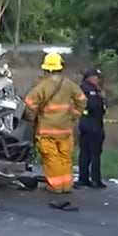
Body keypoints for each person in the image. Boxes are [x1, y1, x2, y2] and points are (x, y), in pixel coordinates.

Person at [23, 52, 87, 209]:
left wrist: (31, 117)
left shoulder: (42, 86)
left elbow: (29, 102)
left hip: (47, 130)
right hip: (65, 129)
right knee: (65, 157)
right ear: (60, 67)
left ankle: (55, 187)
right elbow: (82, 100)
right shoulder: (69, 84)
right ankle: (67, 185)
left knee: (51, 158)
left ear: (46, 69)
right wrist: (74, 115)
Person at [76, 68, 107, 188]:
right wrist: (102, 99)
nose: (99, 80)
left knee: (85, 153)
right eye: (97, 77)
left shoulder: (87, 89)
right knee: (94, 153)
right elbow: (95, 106)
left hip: (88, 124)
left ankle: (84, 178)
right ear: (90, 77)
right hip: (92, 125)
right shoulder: (89, 90)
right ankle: (95, 179)